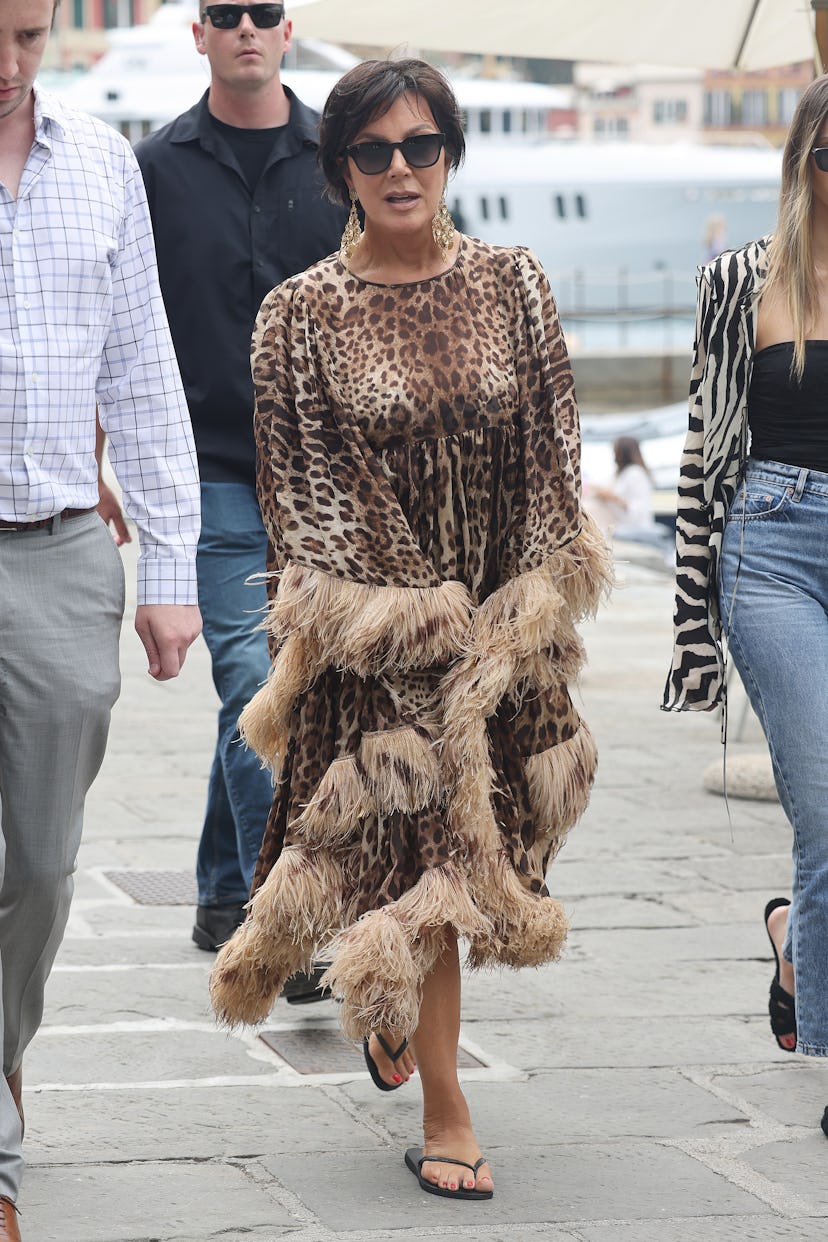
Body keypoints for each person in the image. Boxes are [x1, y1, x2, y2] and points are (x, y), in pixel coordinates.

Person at [210, 57, 611, 1199]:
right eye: (375, 150)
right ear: (342, 168)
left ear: (449, 157)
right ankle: (446, 1101)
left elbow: (553, 450)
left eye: (421, 145)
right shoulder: (298, 318)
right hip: (375, 629)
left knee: (500, 827)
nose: (400, 168)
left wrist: (510, 611)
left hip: (503, 615)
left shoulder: (513, 284)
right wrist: (421, 620)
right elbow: (303, 497)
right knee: (433, 842)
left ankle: (391, 1015)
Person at [0, 0, 202, 1233]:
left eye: (24, 37)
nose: (3, 65)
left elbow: (143, 368)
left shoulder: (102, 167)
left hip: (64, 550)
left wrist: (171, 569)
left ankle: (2, 1039)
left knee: (40, 860)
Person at [134, 1, 346, 975]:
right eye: (228, 14)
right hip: (204, 473)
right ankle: (287, 920)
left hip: (329, 483)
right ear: (202, 34)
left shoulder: (343, 159)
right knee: (257, 685)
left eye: (264, 12)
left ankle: (223, 885)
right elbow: (119, 317)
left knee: (273, 691)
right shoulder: (155, 169)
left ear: (286, 29)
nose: (247, 28)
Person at [663, 75, 828, 1136]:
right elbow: (700, 457)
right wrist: (691, 631)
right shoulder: (740, 284)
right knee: (826, 811)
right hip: (774, 549)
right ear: (805, 165)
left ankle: (796, 949)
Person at [587, 436, 674, 565]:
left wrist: (613, 498)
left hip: (632, 525)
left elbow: (637, 512)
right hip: (619, 523)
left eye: (615, 451)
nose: (613, 455)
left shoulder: (635, 474)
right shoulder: (618, 475)